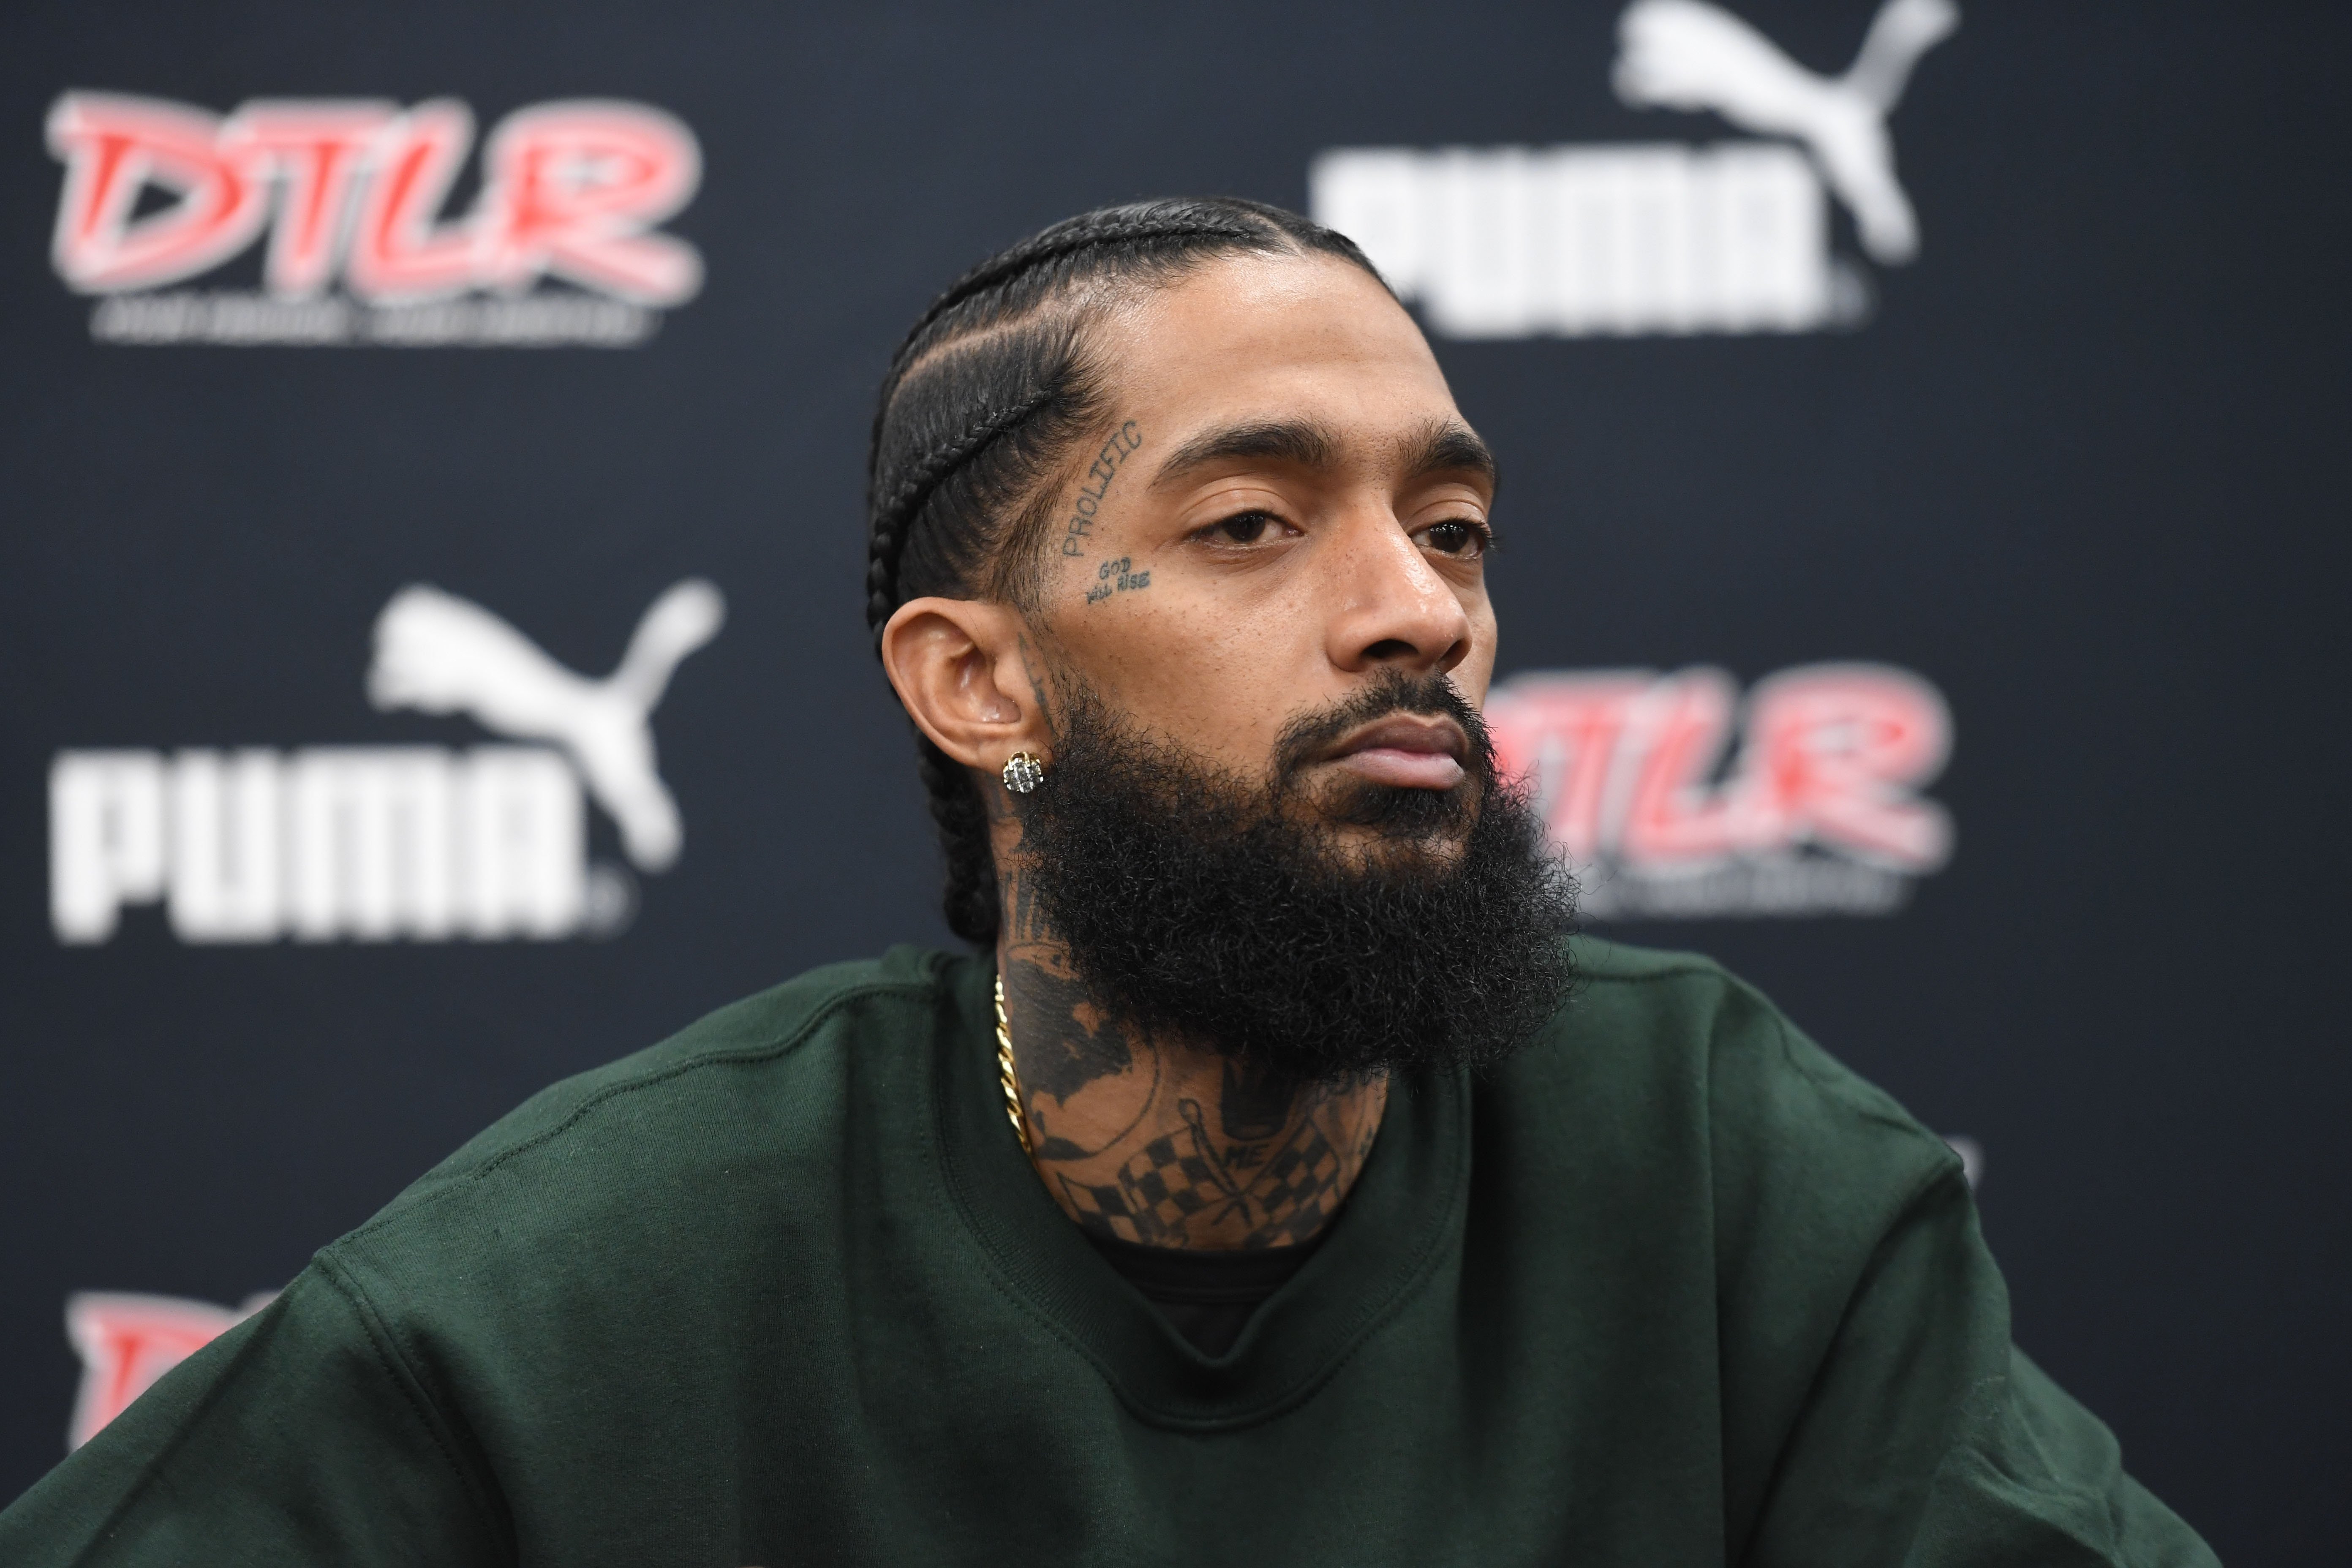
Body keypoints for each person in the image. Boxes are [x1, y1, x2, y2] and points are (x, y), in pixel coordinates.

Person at [0, 198, 2216, 1566]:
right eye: (1257, 522)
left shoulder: (1744, 1179)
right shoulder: (570, 1296)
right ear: (979, 684)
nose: (1419, 612)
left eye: (1453, 532)